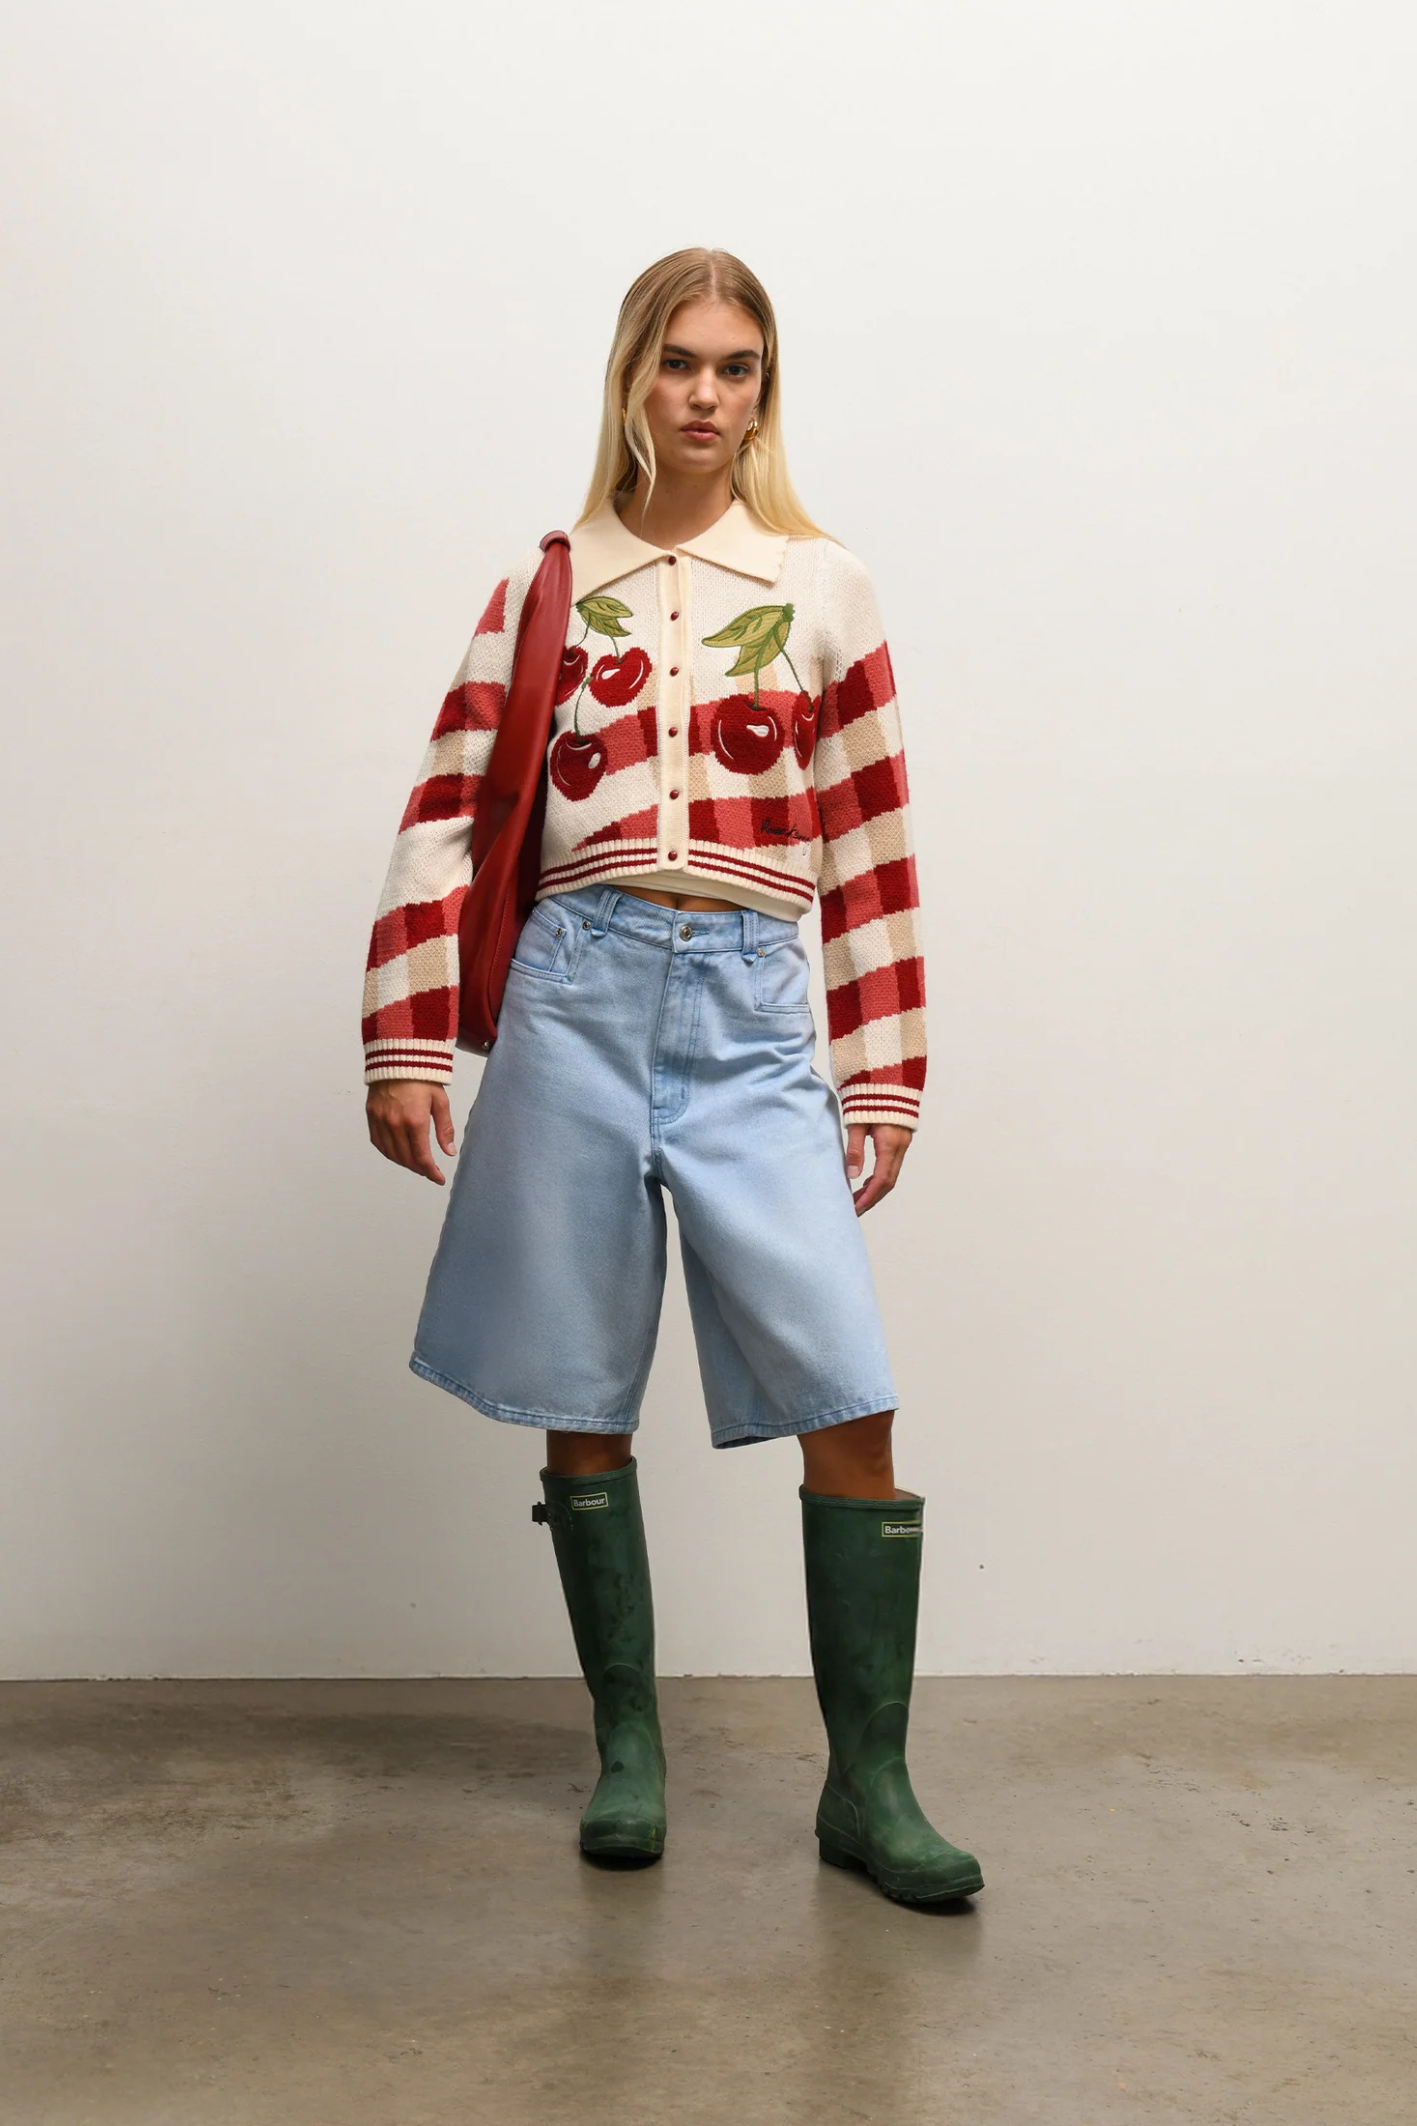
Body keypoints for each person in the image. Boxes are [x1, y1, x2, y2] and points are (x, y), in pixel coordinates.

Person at [361, 249, 982, 1905]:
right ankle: (627, 1749)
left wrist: (884, 1070)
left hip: (751, 1009)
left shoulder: (823, 584)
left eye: (738, 367)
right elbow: (448, 806)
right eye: (680, 362)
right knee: (583, 1385)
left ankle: (870, 1786)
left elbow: (872, 839)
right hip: (573, 993)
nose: (707, 394)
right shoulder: (549, 582)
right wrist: (406, 1030)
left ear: (765, 390)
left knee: (847, 1388)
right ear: (632, 376)